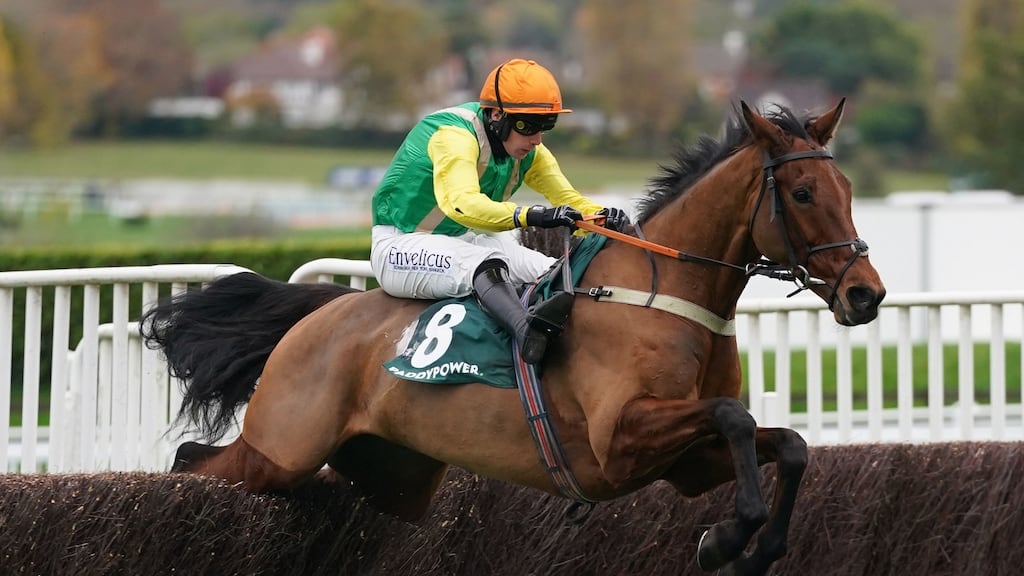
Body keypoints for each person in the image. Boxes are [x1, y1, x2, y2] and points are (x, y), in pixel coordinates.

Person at [370, 58, 630, 364]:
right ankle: (526, 333)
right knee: (485, 263)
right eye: (528, 126)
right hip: (399, 245)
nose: (536, 139)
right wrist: (533, 215)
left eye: (545, 126)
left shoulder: (528, 152)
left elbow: (569, 200)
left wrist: (604, 218)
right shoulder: (454, 136)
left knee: (554, 272)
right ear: (496, 115)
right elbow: (461, 203)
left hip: (459, 241)